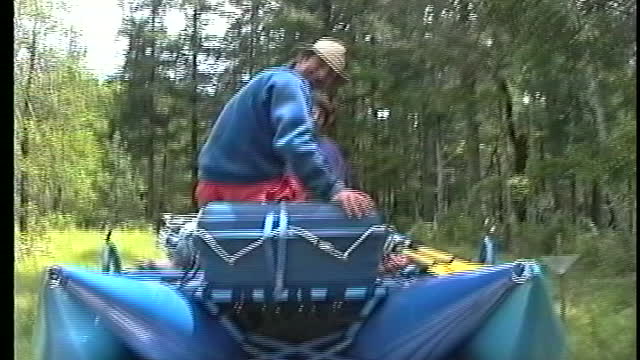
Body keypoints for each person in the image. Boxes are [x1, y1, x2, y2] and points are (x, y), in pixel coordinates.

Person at [195, 37, 374, 218]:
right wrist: (334, 189)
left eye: (329, 75)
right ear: (303, 57)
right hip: (250, 188)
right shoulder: (291, 83)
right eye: (319, 65)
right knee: (323, 218)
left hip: (210, 185)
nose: (322, 75)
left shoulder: (267, 78)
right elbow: (295, 142)